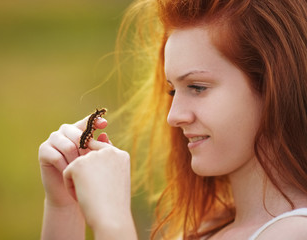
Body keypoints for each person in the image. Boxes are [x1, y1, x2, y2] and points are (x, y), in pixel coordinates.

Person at [38, 0, 307, 239]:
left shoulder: (296, 231)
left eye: (197, 87)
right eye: (172, 90)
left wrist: (111, 220)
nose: (173, 116)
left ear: (275, 87)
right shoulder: (205, 228)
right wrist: (64, 206)